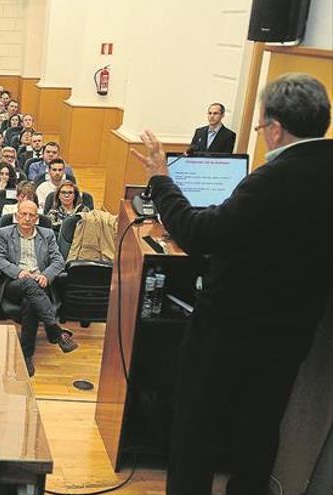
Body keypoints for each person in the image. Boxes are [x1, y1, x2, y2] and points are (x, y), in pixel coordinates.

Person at [130, 73, 332, 495]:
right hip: (293, 331)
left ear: (275, 128)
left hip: (230, 331)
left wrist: (161, 177)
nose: (261, 134)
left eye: (260, 127)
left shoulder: (273, 179)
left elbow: (197, 233)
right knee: (260, 426)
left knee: (195, 427)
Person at [0, 201, 78, 376]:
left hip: (40, 284)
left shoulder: (46, 235)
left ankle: (26, 356)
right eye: (23, 214)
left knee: (30, 304)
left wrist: (46, 275)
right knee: (28, 284)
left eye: (31, 215)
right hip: (14, 284)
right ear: (16, 216)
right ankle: (54, 330)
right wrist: (18, 272)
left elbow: (58, 261)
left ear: (37, 218)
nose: (27, 218)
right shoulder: (4, 233)